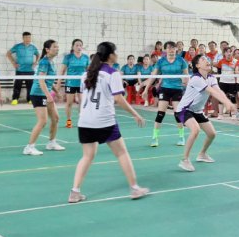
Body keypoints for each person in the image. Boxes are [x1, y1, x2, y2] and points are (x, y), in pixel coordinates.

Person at [68, 41, 149, 203]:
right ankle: (134, 188)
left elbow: (81, 99)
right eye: (116, 52)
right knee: (121, 153)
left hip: (85, 121)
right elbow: (119, 98)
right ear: (111, 55)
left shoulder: (86, 74)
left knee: (87, 156)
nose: (117, 55)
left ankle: (74, 192)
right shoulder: (113, 74)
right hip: (104, 120)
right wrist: (135, 114)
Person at [176, 54, 236, 172]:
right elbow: (212, 92)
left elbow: (218, 91)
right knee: (195, 130)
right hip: (184, 110)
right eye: (203, 60)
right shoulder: (196, 79)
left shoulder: (211, 77)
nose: (207, 61)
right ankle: (185, 159)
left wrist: (227, 102)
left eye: (207, 59)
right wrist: (227, 103)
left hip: (197, 111)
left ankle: (202, 154)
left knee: (212, 134)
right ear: (197, 65)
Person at [24, 39, 65, 156]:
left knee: (56, 118)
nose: (57, 49)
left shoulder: (51, 62)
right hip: (38, 93)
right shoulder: (44, 62)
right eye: (54, 47)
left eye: (58, 47)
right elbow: (41, 81)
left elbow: (48, 80)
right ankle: (29, 147)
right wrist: (49, 96)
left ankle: (51, 143)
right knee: (42, 121)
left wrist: (56, 91)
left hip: (45, 92)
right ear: (47, 49)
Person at [144, 41, 189, 147]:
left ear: (176, 49)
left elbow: (186, 76)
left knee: (177, 114)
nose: (171, 49)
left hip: (177, 89)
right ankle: (155, 138)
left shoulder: (181, 61)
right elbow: (153, 76)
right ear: (165, 50)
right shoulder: (161, 61)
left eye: (173, 48)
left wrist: (186, 84)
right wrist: (146, 89)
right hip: (164, 89)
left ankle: (181, 137)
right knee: (160, 114)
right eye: (169, 48)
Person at [60, 39, 89, 129]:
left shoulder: (85, 57)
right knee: (69, 103)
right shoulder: (68, 57)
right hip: (70, 83)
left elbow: (89, 70)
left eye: (80, 45)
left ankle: (81, 120)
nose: (79, 47)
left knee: (81, 101)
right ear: (73, 47)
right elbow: (62, 70)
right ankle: (69, 121)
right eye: (77, 45)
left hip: (82, 83)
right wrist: (58, 83)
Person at [7, 32, 39, 105]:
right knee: (17, 85)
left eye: (29, 37)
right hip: (20, 70)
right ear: (23, 38)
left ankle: (30, 99)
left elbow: (38, 55)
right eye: (26, 37)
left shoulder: (33, 47)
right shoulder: (17, 46)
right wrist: (13, 63)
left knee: (30, 86)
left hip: (30, 70)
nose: (28, 39)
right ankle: (15, 99)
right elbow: (8, 53)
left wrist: (36, 62)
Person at [216, 46, 239, 117]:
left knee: (232, 97)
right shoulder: (221, 61)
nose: (228, 53)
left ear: (232, 53)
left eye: (230, 52)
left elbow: (237, 72)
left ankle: (233, 114)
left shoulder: (236, 61)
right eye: (227, 52)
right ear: (224, 53)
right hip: (223, 82)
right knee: (221, 97)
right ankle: (220, 114)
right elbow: (219, 71)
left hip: (232, 82)